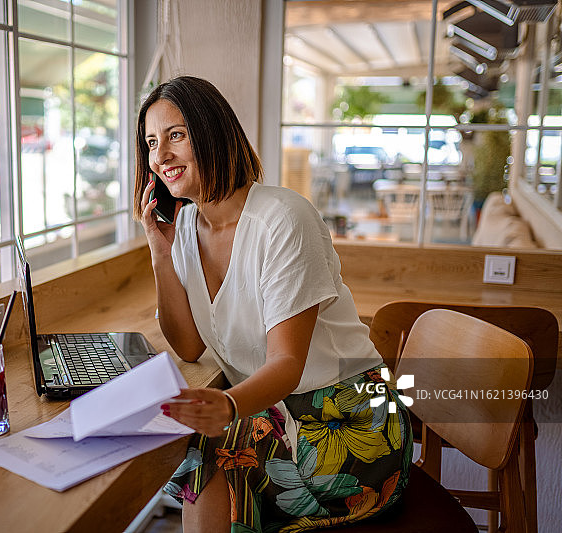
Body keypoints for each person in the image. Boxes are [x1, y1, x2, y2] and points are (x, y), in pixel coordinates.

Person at [133, 76, 412, 533]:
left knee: (204, 455)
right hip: (277, 413)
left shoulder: (283, 219)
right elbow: (187, 345)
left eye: (176, 135)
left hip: (348, 421)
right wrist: (159, 251)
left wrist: (226, 406)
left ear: (213, 131)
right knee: (195, 451)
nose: (161, 155)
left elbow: (287, 364)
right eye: (151, 142)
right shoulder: (185, 228)